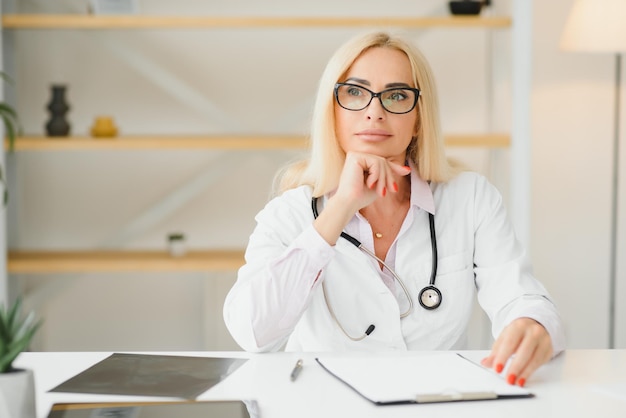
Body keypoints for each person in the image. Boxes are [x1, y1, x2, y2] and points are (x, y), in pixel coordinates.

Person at [223, 31, 565, 387]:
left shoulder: (471, 199)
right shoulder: (291, 213)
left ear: (418, 119)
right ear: (332, 112)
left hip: (435, 404)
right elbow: (252, 331)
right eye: (355, 92)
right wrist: (340, 208)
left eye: (397, 95)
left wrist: (532, 324)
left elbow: (521, 297)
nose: (375, 111)